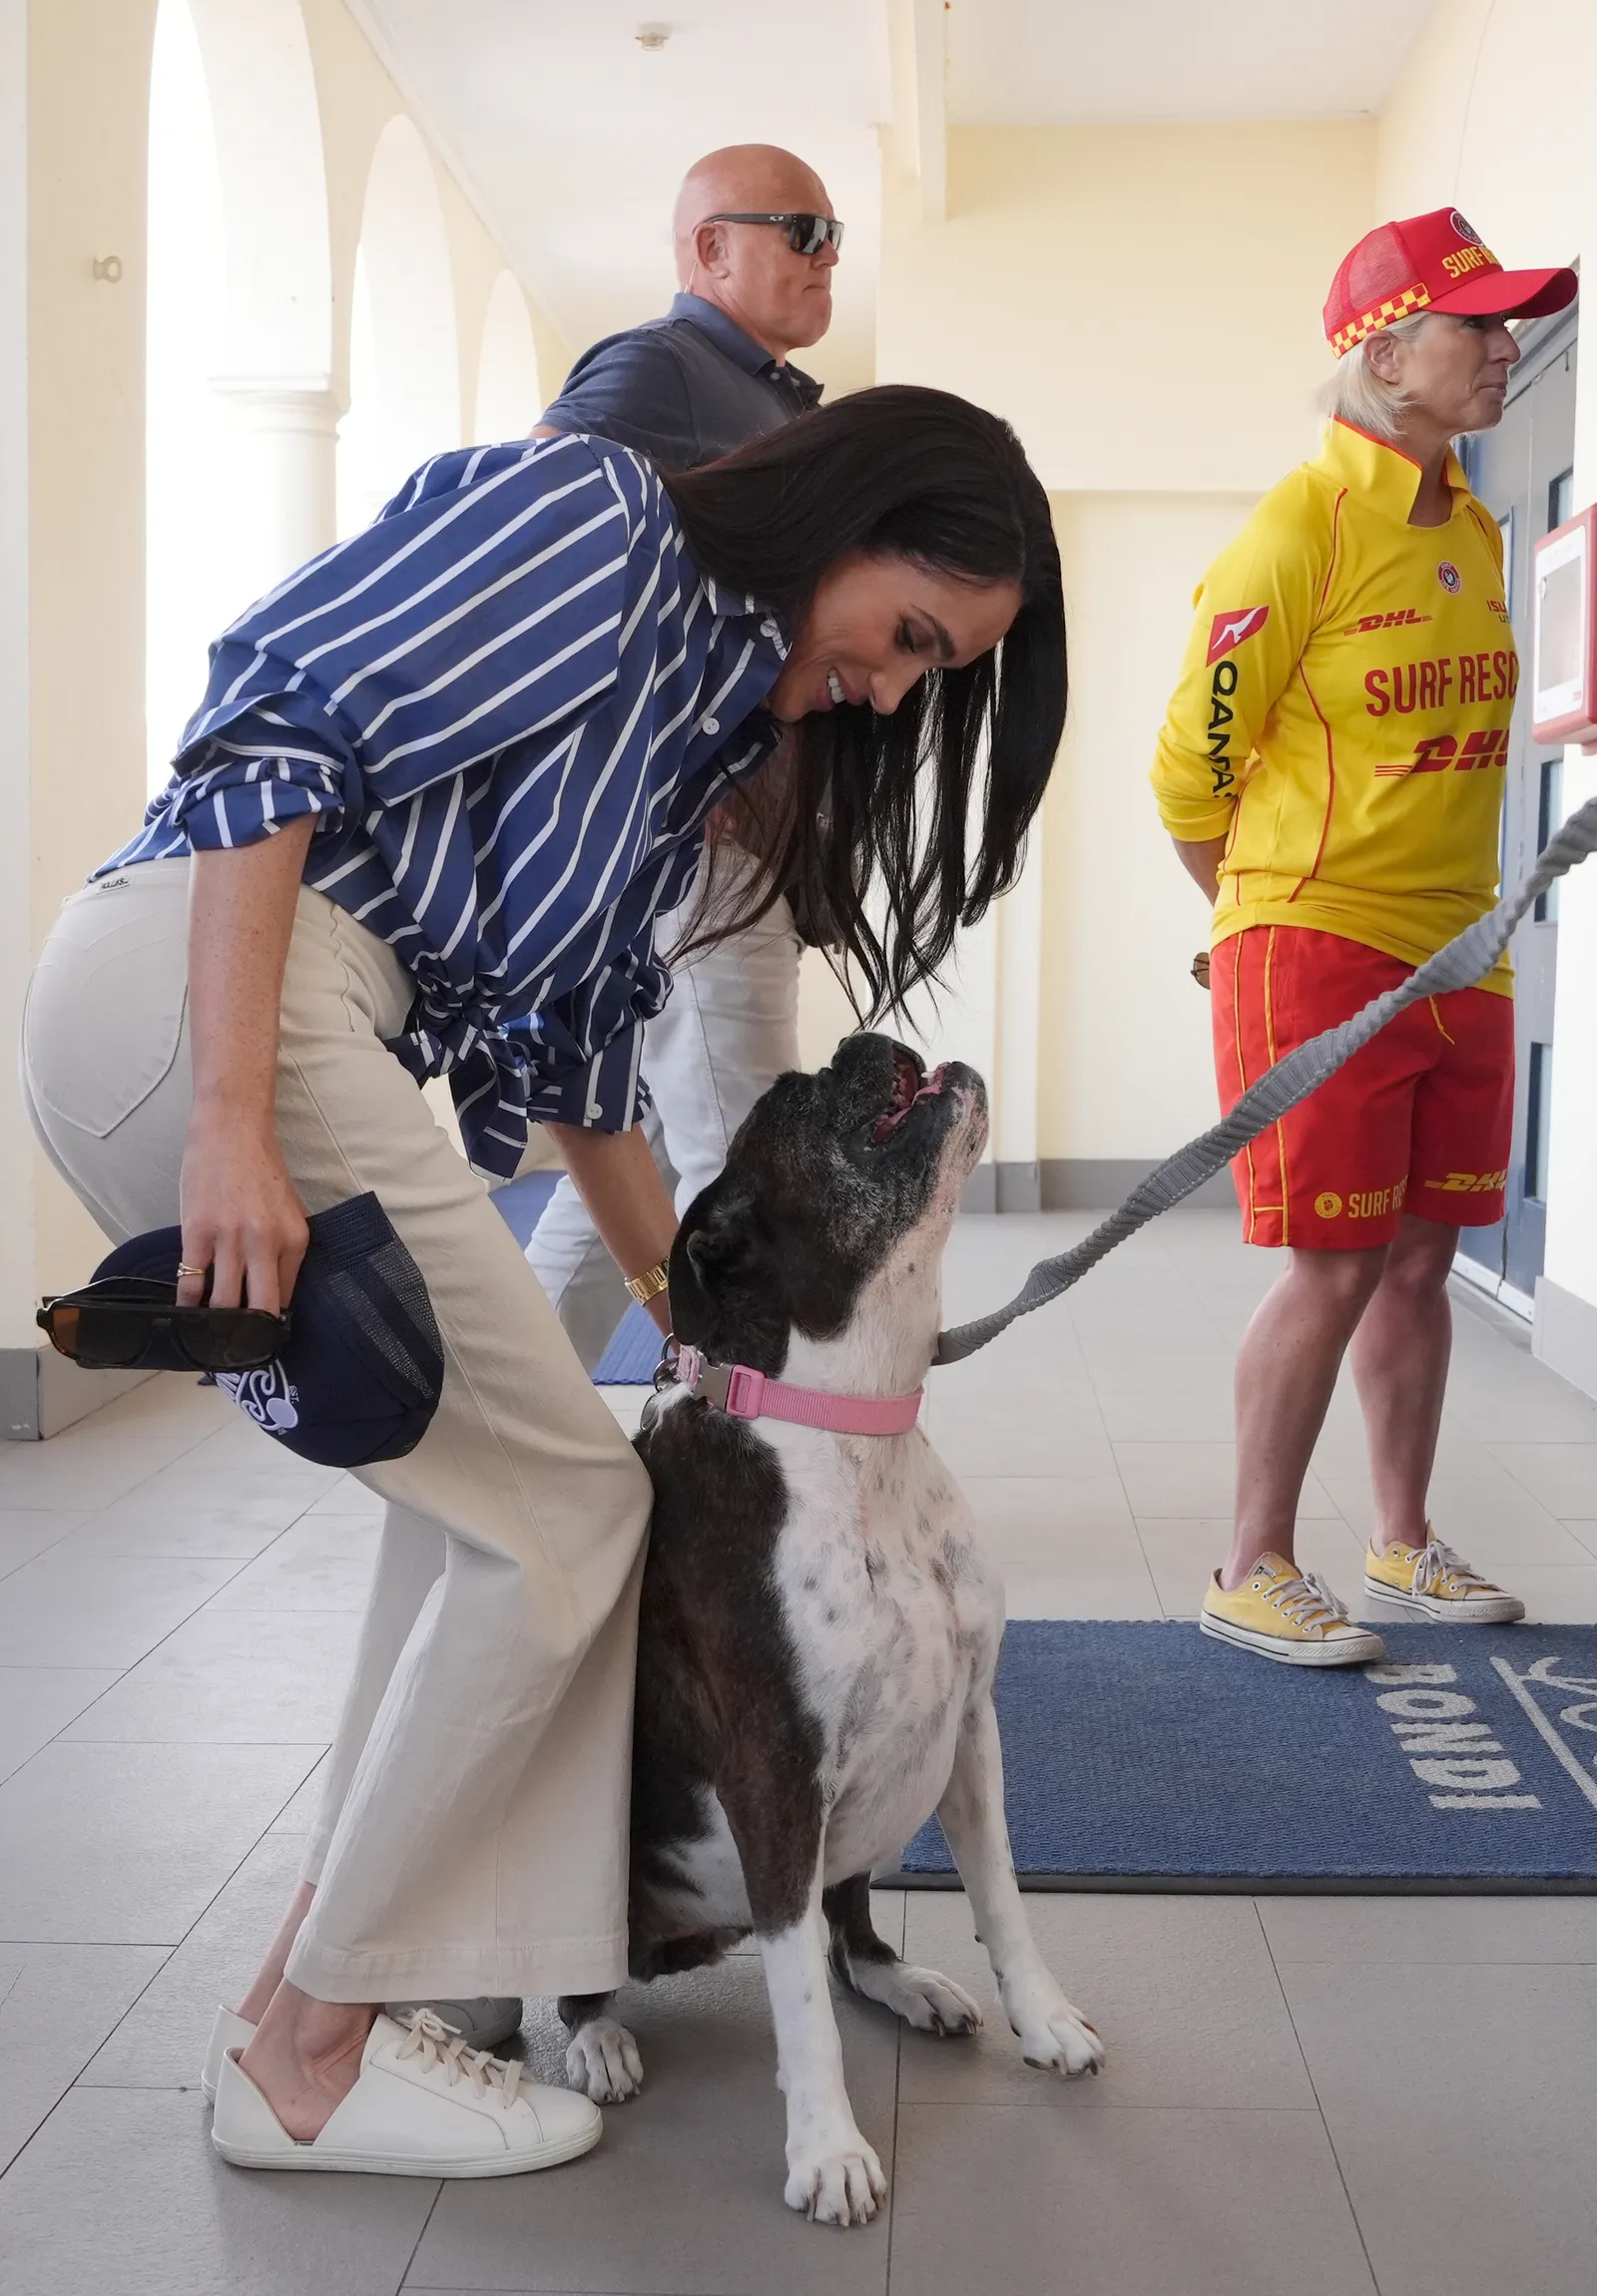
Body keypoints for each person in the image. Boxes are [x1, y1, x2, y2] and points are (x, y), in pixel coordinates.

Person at [22, 385, 1065, 2176]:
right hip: (204, 1001)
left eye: (933, 676)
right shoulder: (597, 523)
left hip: (281, 1019)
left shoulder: (686, 717)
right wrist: (224, 1113)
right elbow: (267, 735)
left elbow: (580, 1069)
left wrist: (695, 1313)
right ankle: (313, 2056)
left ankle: (326, 1988)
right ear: (853, 512)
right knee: (576, 1515)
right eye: (908, 638)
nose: (897, 693)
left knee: (473, 1526)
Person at [1150, 208, 1577, 1666]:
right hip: (1320, 948)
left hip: (1466, 951)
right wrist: (1261, 918)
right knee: (1332, 1263)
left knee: (1420, 1258)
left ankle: (1399, 1542)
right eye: (1482, 325)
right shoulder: (1297, 527)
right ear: (1386, 355)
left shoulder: (1466, 521)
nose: (1508, 347)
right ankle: (1250, 1563)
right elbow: (1188, 774)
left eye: (1513, 323)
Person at [525, 143, 838, 1368]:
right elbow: (531, 531)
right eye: (801, 231)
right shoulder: (663, 367)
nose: (828, 260)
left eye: (834, 237)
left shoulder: (766, 395)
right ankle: (758, 1478)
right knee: (739, 1170)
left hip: (736, 840)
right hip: (697, 838)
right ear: (710, 248)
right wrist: (651, 753)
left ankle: (504, 1434)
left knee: (634, 1160)